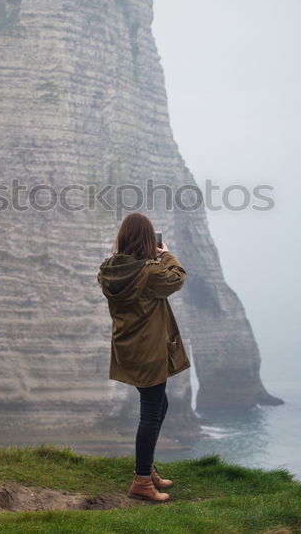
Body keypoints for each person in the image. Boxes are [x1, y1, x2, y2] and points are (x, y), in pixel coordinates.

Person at [97, 212, 191, 502]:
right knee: (151, 412)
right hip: (149, 351)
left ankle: (146, 468)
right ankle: (141, 481)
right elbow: (177, 279)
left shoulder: (108, 270)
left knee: (159, 404)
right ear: (149, 240)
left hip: (128, 348)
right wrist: (165, 255)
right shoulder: (150, 273)